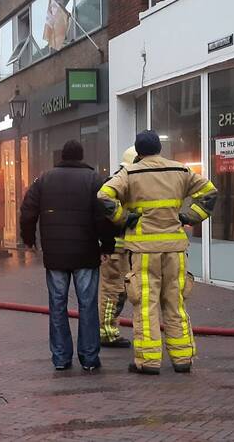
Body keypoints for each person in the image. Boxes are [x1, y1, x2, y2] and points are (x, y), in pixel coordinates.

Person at [98, 130, 217, 375]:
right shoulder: (180, 171)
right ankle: (183, 358)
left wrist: (123, 219)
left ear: (138, 151)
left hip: (143, 251)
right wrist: (188, 217)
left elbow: (104, 197)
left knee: (145, 305)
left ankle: (148, 361)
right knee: (176, 304)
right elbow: (210, 193)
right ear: (159, 149)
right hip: (174, 249)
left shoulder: (129, 173)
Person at [20, 140, 115, 372]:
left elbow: (27, 211)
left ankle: (61, 358)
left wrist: (30, 239)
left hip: (55, 254)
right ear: (81, 157)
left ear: (61, 156)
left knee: (58, 305)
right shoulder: (94, 180)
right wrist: (107, 244)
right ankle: (89, 358)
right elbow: (104, 215)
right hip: (86, 253)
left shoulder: (44, 179)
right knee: (87, 305)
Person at [98, 147, 136, 349]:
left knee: (119, 291)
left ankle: (108, 330)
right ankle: (107, 333)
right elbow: (106, 219)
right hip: (115, 251)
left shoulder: (118, 183)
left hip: (122, 249)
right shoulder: (116, 186)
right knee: (113, 291)